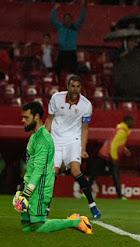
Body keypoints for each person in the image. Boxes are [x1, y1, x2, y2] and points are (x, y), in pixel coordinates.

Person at [13, 102, 92, 234]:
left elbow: (38, 170)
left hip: (40, 187)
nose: (23, 120)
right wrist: (23, 188)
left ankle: (76, 222)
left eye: (26, 117)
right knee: (27, 228)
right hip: (31, 185)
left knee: (38, 227)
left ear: (37, 117)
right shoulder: (34, 136)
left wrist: (26, 194)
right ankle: (73, 220)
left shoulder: (43, 139)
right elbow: (31, 166)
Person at [45, 75, 101, 219]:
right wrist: (44, 140)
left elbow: (85, 128)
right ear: (67, 86)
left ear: (80, 88)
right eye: (72, 86)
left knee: (76, 170)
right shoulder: (56, 98)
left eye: (78, 86)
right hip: (55, 140)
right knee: (53, 172)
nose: (75, 89)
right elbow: (49, 119)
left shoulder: (86, 105)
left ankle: (92, 205)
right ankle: (46, 206)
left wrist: (83, 148)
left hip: (73, 140)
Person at [88, 116, 134, 199]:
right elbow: (113, 145)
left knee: (94, 174)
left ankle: (85, 193)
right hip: (107, 155)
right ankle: (120, 196)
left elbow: (117, 142)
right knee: (114, 175)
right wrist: (114, 158)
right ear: (127, 122)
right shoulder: (122, 132)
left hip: (104, 153)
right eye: (132, 121)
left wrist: (124, 149)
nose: (133, 123)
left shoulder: (122, 130)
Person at [50, 0, 86, 76]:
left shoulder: (75, 27)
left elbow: (82, 18)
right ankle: (59, 84)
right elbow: (53, 19)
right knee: (58, 70)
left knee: (74, 71)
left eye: (68, 18)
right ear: (63, 19)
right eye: (65, 18)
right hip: (62, 52)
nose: (66, 19)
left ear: (71, 19)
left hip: (71, 52)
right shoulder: (60, 26)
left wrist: (83, 7)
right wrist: (55, 8)